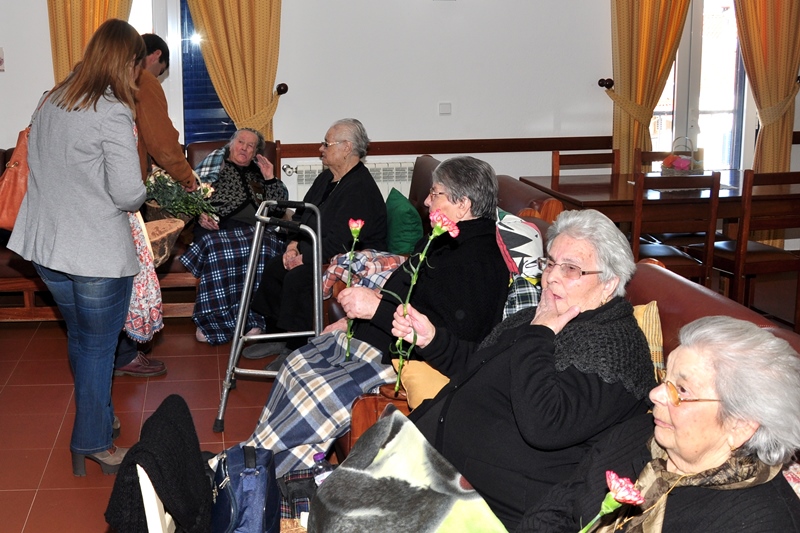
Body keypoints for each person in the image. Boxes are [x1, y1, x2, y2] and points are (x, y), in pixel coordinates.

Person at [240, 156, 510, 477]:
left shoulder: (479, 263)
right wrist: (354, 321)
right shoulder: (444, 239)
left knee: (317, 392)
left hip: (403, 359)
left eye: (435, 193)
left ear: (463, 204)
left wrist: (374, 311)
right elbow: (403, 289)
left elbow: (447, 342)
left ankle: (255, 474)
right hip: (380, 336)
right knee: (296, 364)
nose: (426, 201)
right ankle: (253, 458)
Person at [392, 209, 655, 530]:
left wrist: (539, 334)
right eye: (550, 263)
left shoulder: (615, 348)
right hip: (428, 466)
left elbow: (546, 425)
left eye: (571, 269)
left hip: (489, 508)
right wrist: (433, 340)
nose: (551, 277)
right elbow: (482, 367)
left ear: (608, 284)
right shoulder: (542, 315)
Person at [7, 19, 147, 475]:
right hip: (94, 253)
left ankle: (99, 417)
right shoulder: (112, 110)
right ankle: (93, 442)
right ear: (128, 61)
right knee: (98, 348)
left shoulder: (51, 99)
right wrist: (146, 189)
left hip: (48, 248)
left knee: (83, 340)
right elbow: (127, 194)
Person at [520, 316, 800, 532]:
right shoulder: (637, 434)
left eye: (682, 390)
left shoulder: (761, 523)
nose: (655, 394)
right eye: (664, 378)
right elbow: (556, 508)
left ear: (740, 425)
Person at [245, 118, 387, 358]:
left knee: (299, 277)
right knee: (275, 267)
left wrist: (304, 258)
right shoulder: (326, 178)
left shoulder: (360, 189)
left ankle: (296, 348)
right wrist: (292, 245)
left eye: (326, 144)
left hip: (348, 261)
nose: (321, 149)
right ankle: (276, 335)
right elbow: (302, 215)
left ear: (346, 148)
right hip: (315, 250)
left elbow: (341, 242)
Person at [113, 32, 194, 378]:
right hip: (122, 193)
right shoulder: (142, 80)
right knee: (127, 272)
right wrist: (187, 178)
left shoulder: (85, 82)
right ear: (155, 56)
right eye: (161, 71)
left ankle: (118, 353)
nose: (157, 77)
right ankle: (125, 354)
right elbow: (161, 141)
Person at [181, 127, 289, 344]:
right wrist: (201, 214)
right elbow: (190, 196)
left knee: (265, 246)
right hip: (218, 227)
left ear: (255, 153)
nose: (244, 148)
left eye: (251, 146)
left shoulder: (260, 172)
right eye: (241, 142)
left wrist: (270, 178)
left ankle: (255, 319)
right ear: (231, 144)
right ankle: (213, 322)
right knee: (218, 249)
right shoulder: (216, 166)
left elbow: (279, 208)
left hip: (256, 229)